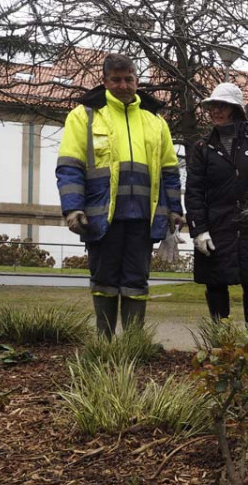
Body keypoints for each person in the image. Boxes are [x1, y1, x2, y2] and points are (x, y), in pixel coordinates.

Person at [56, 53, 183, 337]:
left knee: (137, 280)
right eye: (116, 80)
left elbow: (169, 170)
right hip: (102, 216)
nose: (123, 85)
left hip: (143, 217)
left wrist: (175, 209)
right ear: (104, 81)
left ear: (137, 81)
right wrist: (72, 208)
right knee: (104, 279)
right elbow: (69, 167)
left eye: (128, 79)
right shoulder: (84, 116)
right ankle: (104, 340)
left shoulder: (155, 120)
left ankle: (132, 342)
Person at [185, 82, 248, 323]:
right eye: (213, 106)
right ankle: (220, 338)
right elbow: (194, 191)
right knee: (216, 285)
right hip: (216, 227)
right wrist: (198, 230)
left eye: (222, 106)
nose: (216, 111)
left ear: (235, 109)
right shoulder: (202, 148)